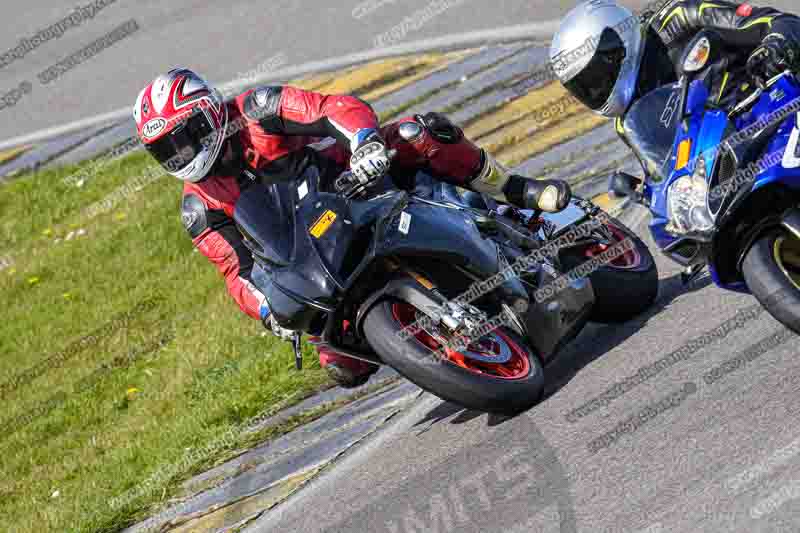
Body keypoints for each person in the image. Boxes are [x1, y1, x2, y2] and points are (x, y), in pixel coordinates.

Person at [133, 68, 572, 388]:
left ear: (209, 113)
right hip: (314, 254)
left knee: (419, 133)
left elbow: (332, 109)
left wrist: (364, 143)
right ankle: (434, 343)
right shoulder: (199, 204)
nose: (181, 152)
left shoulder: (257, 110)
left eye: (186, 135)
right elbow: (237, 273)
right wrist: (268, 311)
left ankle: (513, 189)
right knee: (343, 367)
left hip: (361, 185)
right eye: (166, 150)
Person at [550, 0, 800, 120]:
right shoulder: (628, 120)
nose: (594, 90)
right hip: (734, 165)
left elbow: (779, 22)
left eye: (594, 79)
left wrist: (773, 47)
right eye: (583, 88)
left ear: (616, 49)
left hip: (782, 106)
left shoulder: (680, 17)